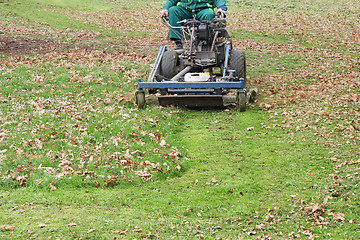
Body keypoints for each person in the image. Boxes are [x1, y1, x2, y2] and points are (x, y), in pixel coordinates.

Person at [159, 0, 227, 49]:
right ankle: (178, 43)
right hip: (186, 10)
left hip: (203, 10)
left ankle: (206, 44)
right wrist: (165, 8)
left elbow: (219, 0)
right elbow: (171, 1)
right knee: (173, 10)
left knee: (209, 14)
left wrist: (221, 8)